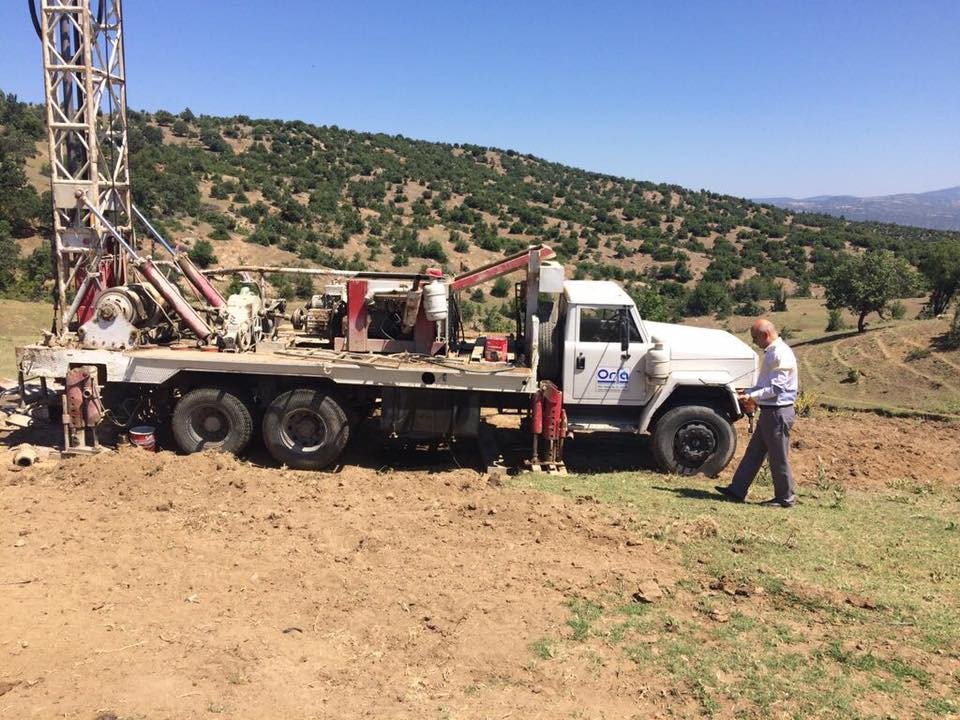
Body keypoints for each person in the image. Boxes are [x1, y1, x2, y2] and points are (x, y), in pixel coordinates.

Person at [716, 318, 799, 507]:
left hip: (777, 412)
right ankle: (737, 490)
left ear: (765, 335)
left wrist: (752, 397)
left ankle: (785, 498)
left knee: (778, 457)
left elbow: (776, 388)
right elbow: (766, 385)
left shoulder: (780, 354)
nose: (754, 341)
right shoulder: (774, 352)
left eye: (755, 337)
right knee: (754, 452)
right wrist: (749, 392)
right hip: (770, 412)